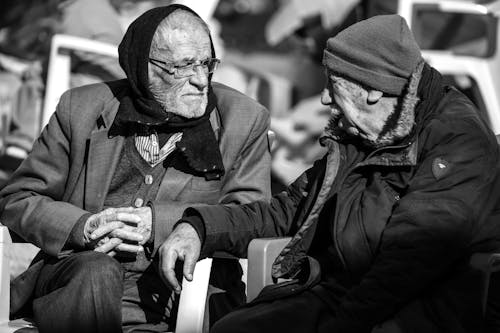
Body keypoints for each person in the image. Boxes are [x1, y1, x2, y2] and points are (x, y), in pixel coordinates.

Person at [161, 15, 500, 332]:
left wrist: (341, 325)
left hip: (421, 307)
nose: (324, 98)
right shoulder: (363, 134)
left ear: (373, 89)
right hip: (342, 292)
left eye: (334, 82)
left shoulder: (457, 141)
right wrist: (202, 227)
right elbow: (288, 210)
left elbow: (409, 263)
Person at [0, 4, 271, 332]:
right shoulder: (82, 108)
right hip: (77, 284)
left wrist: (161, 223)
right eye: (183, 66)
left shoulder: (243, 119)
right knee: (95, 270)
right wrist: (83, 226)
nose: (201, 80)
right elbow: (18, 197)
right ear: (144, 66)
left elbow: (254, 218)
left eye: (206, 63)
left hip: (178, 297)